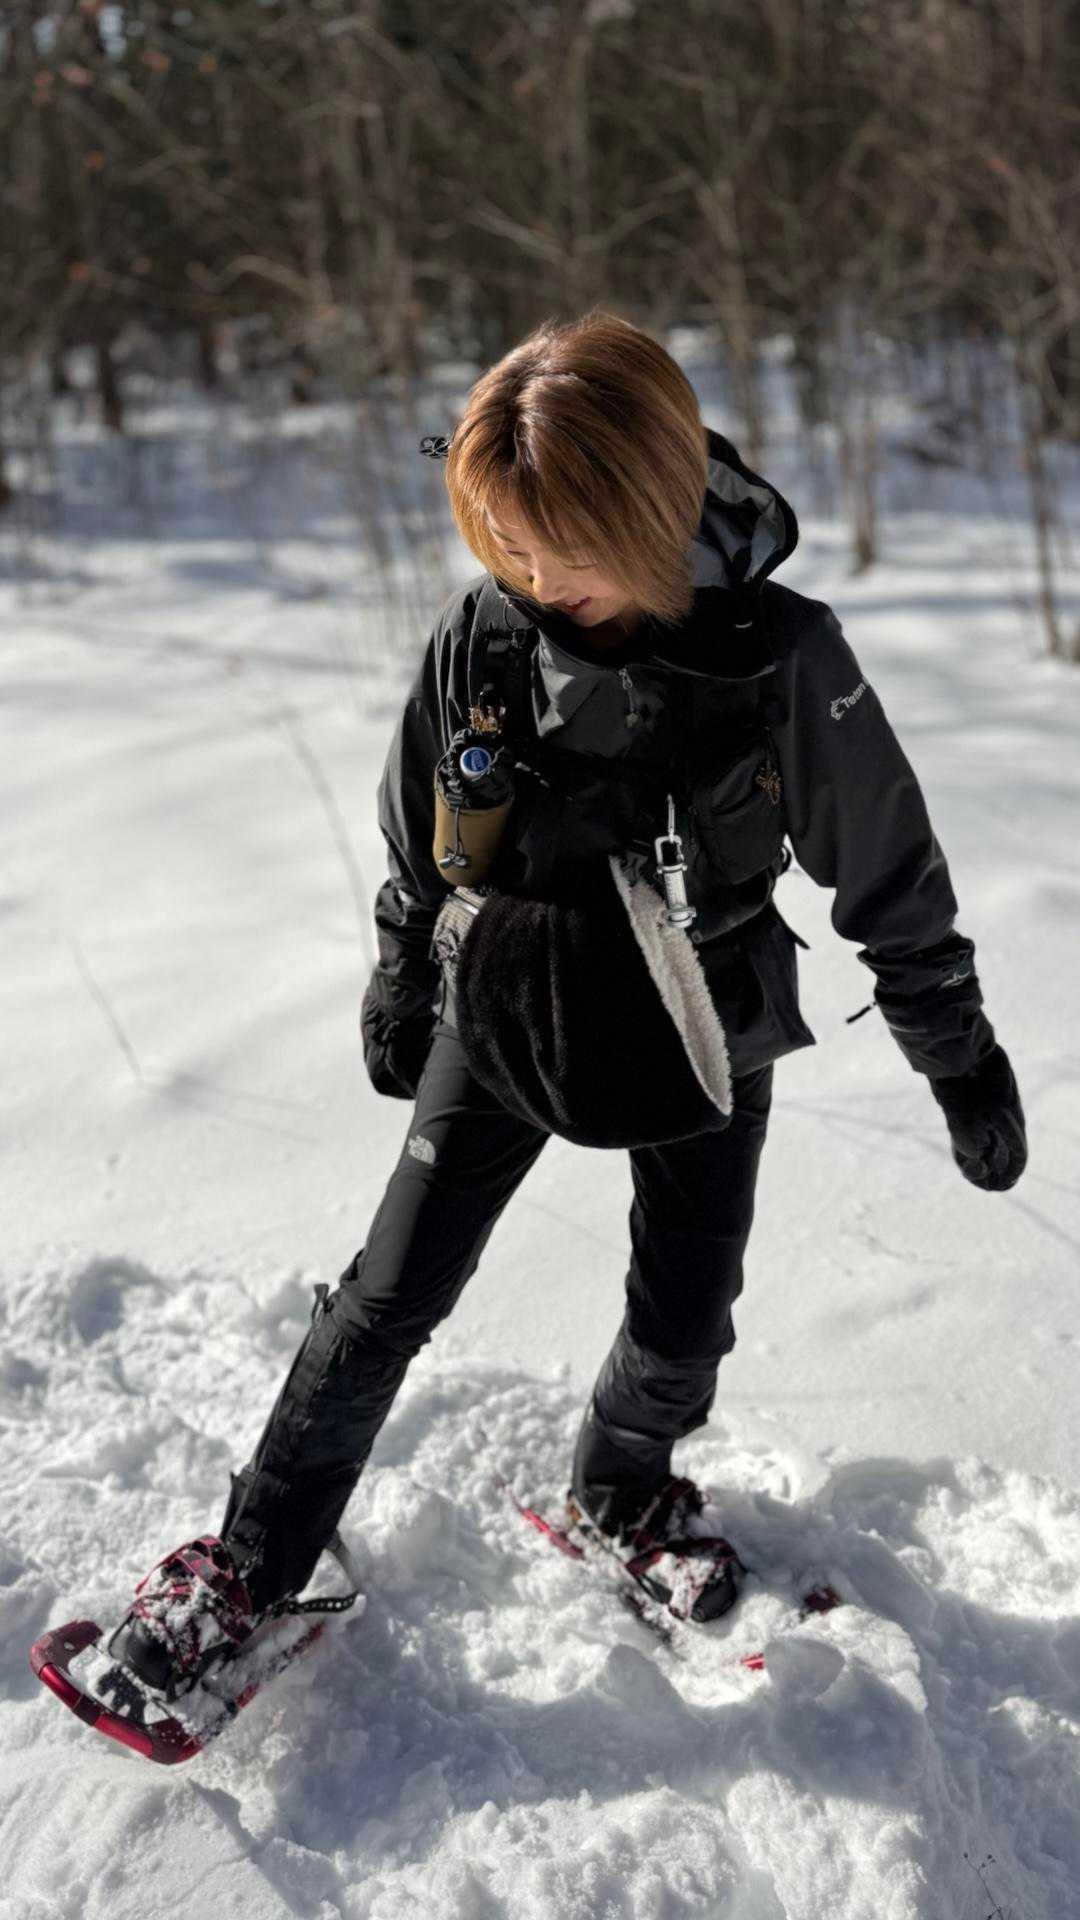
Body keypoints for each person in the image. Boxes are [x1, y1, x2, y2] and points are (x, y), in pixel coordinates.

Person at [116, 309, 1027, 1689]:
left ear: (649, 508)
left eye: (562, 547)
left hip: (703, 1013)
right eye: (509, 545)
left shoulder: (781, 657)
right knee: (385, 1294)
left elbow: (889, 866)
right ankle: (249, 1562)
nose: (535, 579)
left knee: (687, 1310)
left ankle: (622, 1486)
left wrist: (957, 1054)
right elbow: (419, 831)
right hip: (509, 997)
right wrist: (401, 971)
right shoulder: (485, 635)